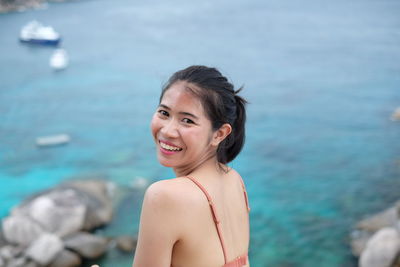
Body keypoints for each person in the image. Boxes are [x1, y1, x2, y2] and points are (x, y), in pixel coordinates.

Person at [132, 65, 250, 267]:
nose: (168, 131)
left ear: (219, 134)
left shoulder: (163, 196)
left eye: (187, 120)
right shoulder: (234, 179)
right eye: (164, 113)